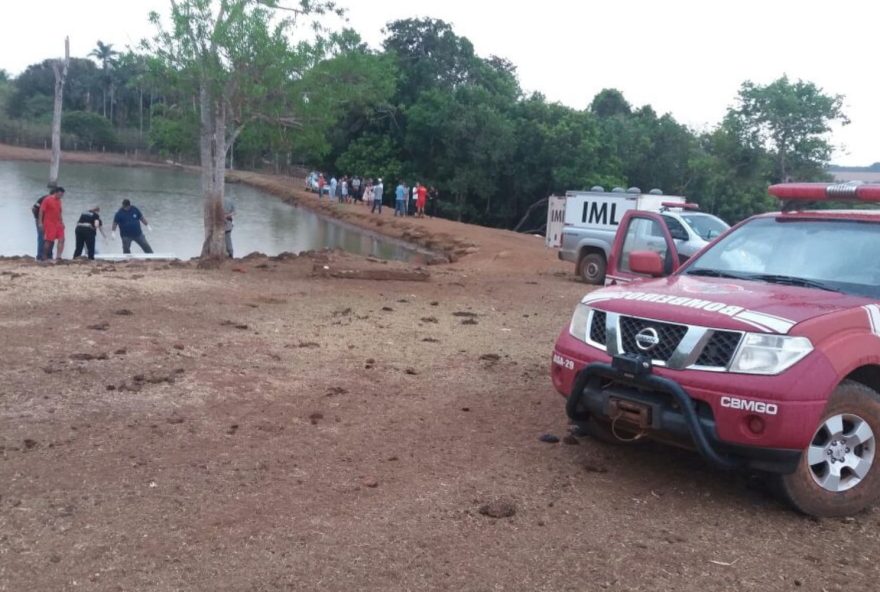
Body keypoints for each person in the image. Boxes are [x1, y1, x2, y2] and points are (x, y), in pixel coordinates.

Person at [38, 186, 65, 262]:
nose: (61, 196)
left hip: (58, 223)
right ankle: (44, 256)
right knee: (49, 241)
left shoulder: (59, 201)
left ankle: (58, 257)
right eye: (59, 195)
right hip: (49, 223)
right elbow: (41, 211)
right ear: (55, 193)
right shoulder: (47, 199)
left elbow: (59, 212)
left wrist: (62, 222)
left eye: (62, 195)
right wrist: (40, 222)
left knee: (62, 239)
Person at [32, 192, 54, 260]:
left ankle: (49, 255)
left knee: (50, 238)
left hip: (50, 222)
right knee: (41, 238)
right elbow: (34, 208)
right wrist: (38, 219)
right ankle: (40, 256)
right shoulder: (44, 198)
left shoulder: (56, 201)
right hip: (41, 221)